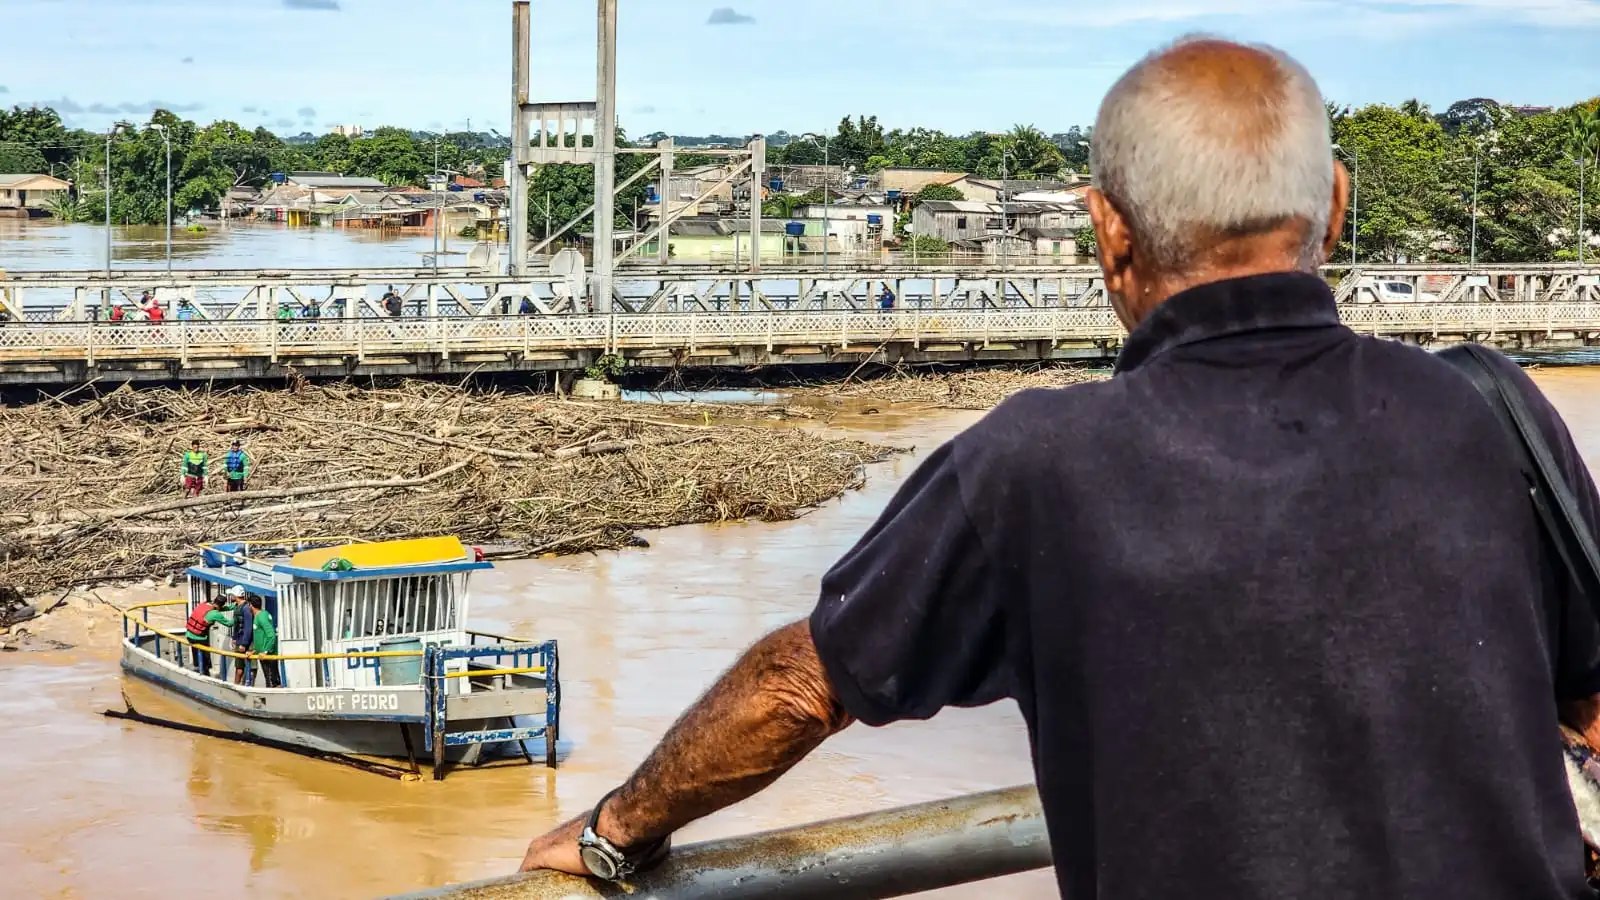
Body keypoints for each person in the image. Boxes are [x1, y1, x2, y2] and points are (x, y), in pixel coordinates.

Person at [519, 38, 1600, 900]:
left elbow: (799, 687)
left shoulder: (1036, 465)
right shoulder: (1489, 408)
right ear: (1337, 206)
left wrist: (618, 829)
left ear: (1108, 233)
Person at [183, 594, 232, 678]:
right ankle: (205, 676)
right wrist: (238, 617)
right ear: (222, 604)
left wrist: (232, 607)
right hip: (200, 638)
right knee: (206, 661)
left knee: (197, 658)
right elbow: (229, 624)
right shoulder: (216, 614)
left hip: (189, 635)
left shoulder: (204, 604)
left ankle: (198, 668)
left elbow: (215, 611)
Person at [247, 594, 281, 688]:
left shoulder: (261, 617)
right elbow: (262, 637)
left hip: (268, 655)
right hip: (263, 654)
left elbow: (271, 635)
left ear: (250, 605)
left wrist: (265, 651)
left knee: (272, 680)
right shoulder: (262, 614)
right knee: (269, 678)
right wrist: (254, 651)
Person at [228, 586, 255, 685]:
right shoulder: (237, 606)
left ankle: (248, 685)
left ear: (235, 595)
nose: (230, 596)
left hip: (245, 642)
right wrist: (234, 638)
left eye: (231, 594)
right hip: (239, 640)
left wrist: (244, 643)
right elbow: (236, 624)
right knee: (238, 667)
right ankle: (236, 686)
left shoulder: (246, 609)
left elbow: (248, 627)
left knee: (249, 667)